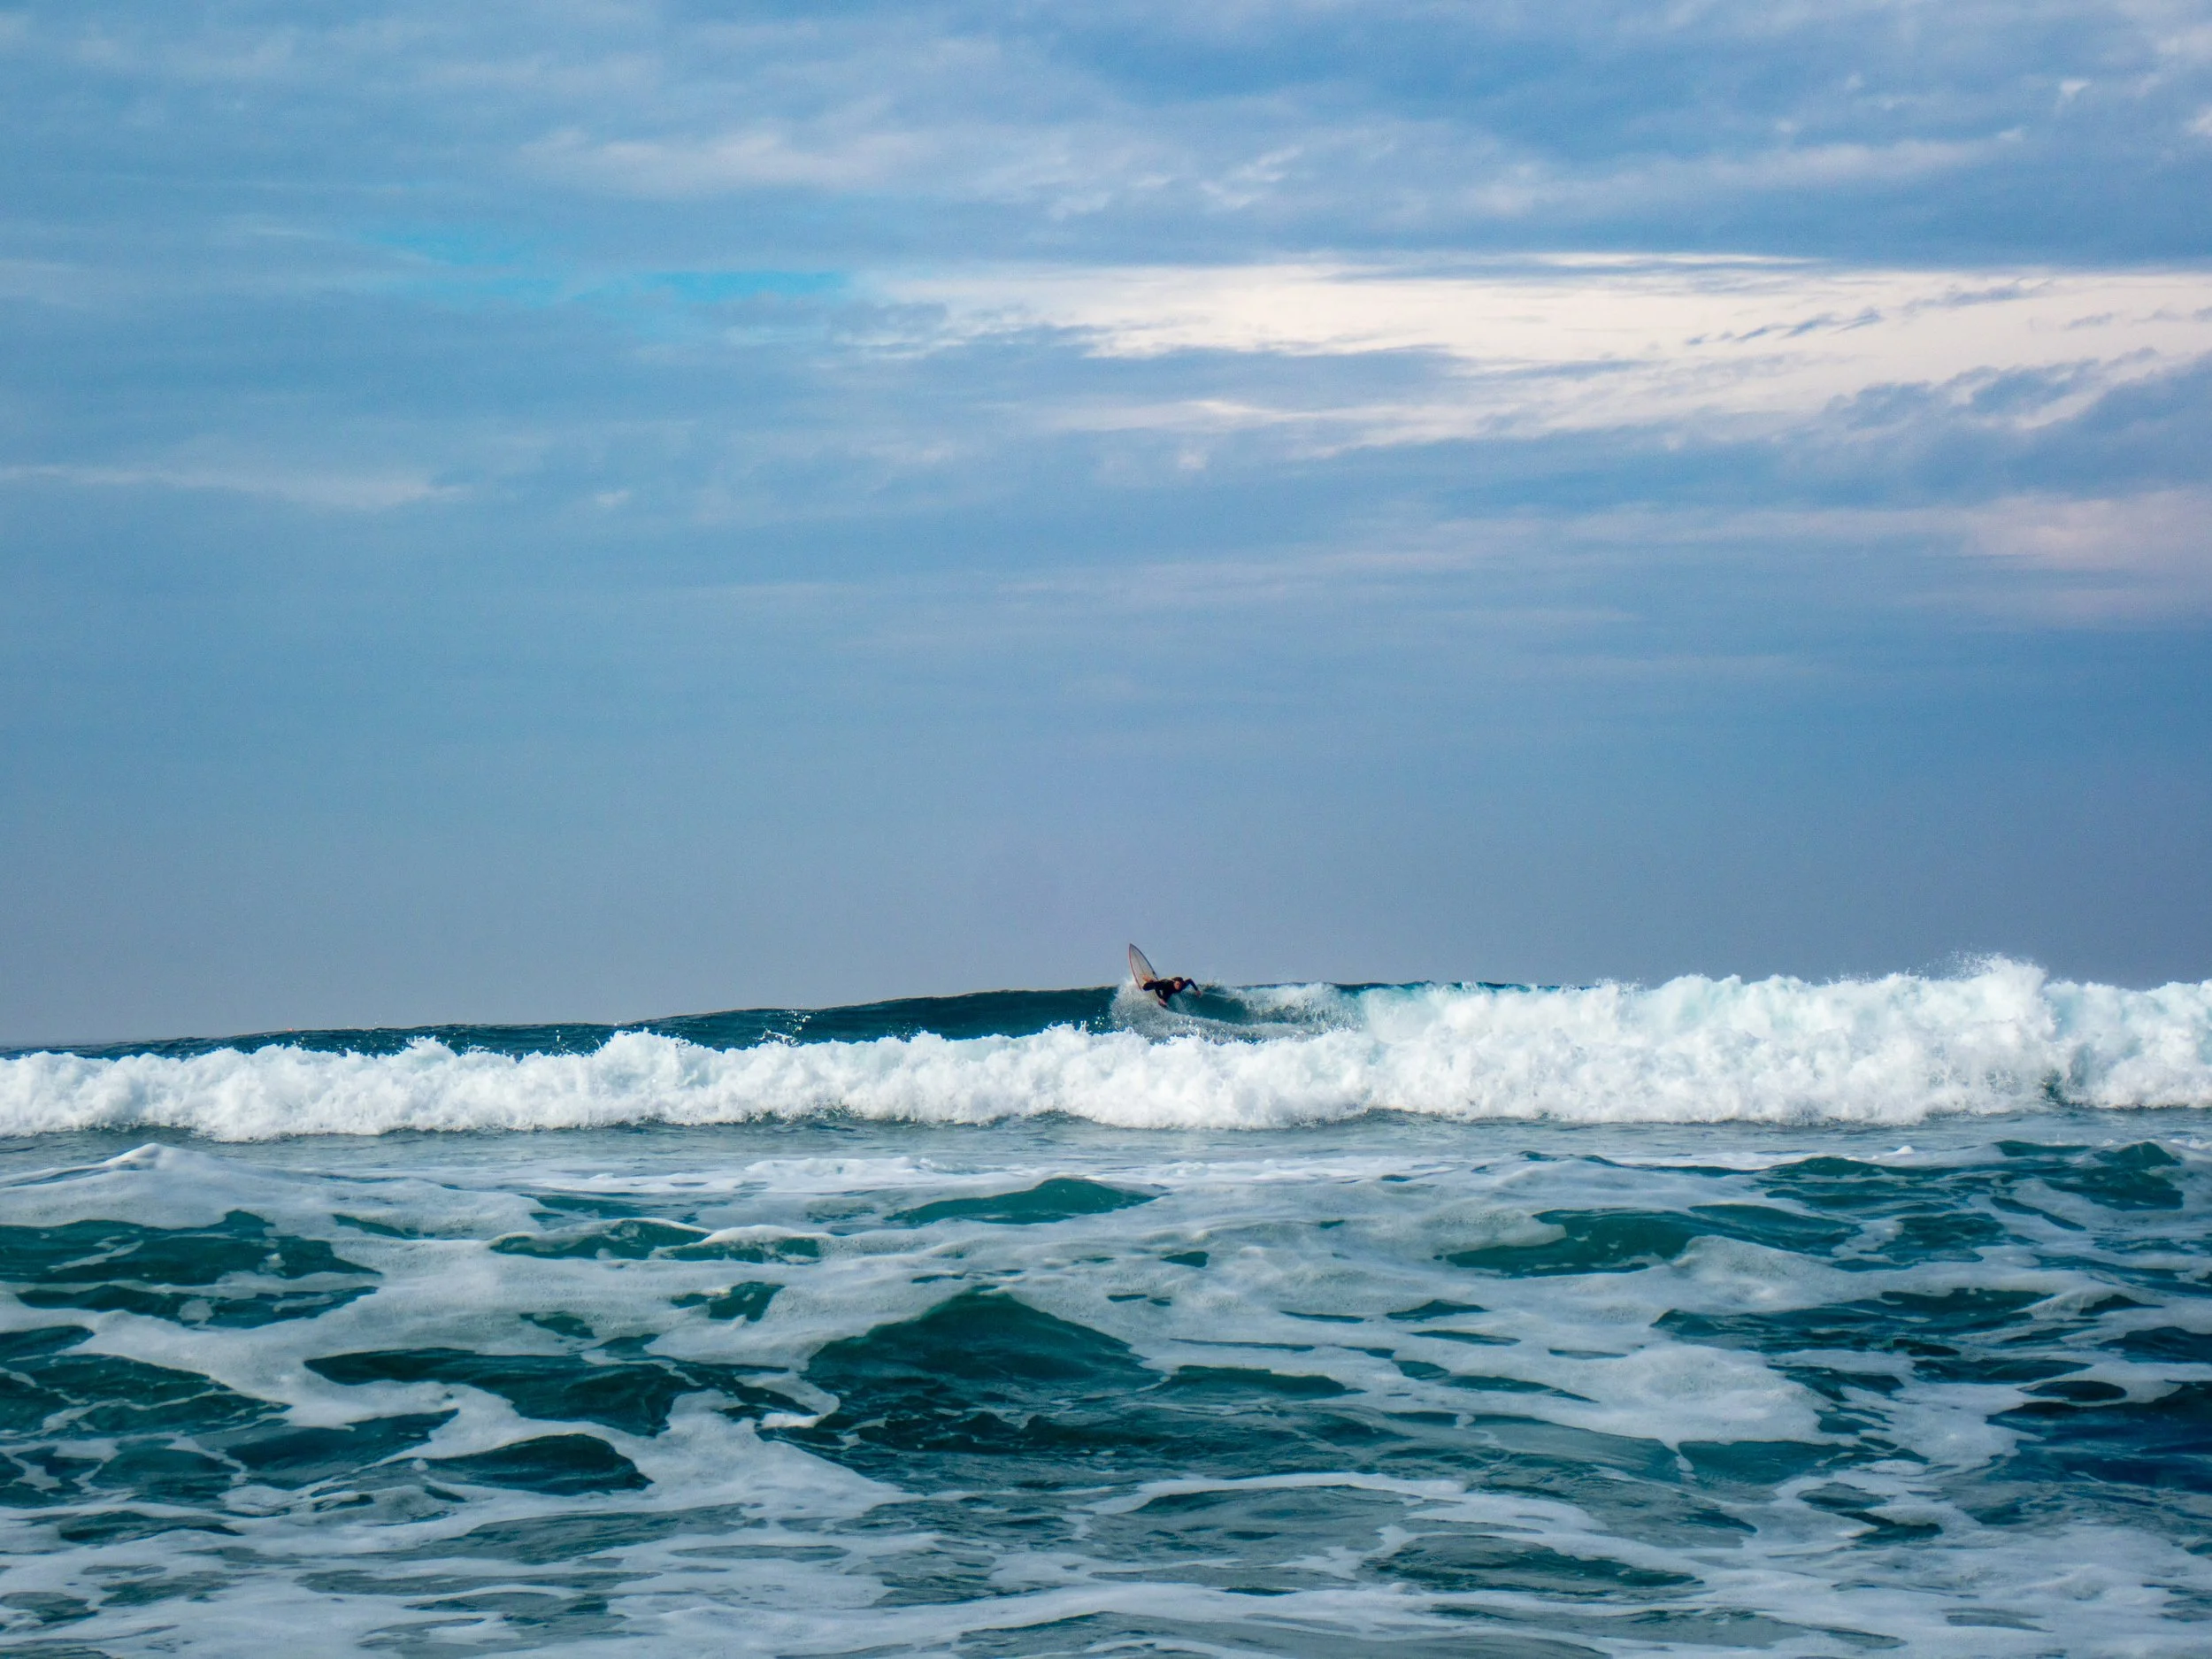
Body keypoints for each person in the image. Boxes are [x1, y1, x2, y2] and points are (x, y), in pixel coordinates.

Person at [1127, 944, 1195, 1006]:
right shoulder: (1167, 983)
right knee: (1145, 988)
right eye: (1177, 984)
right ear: (1175, 983)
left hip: (1169, 990)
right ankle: (1148, 979)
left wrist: (1197, 990)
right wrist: (1160, 997)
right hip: (1162, 985)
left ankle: (1161, 997)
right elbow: (1156, 988)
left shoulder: (1182, 985)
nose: (1179, 986)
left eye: (1180, 985)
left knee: (1164, 1002)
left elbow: (1189, 980)